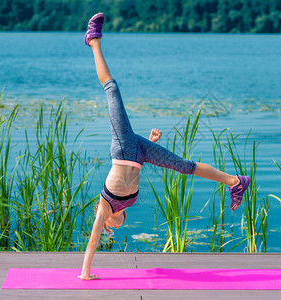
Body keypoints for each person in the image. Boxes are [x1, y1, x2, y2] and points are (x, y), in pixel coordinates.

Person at [79, 13, 250, 280]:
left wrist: (85, 273)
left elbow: (92, 240)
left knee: (112, 89)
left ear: (109, 225)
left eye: (117, 223)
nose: (122, 220)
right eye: (122, 220)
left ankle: (93, 41)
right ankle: (234, 181)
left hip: (124, 147)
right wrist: (149, 142)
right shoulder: (125, 205)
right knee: (185, 166)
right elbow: (133, 174)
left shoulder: (104, 207)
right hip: (140, 153)